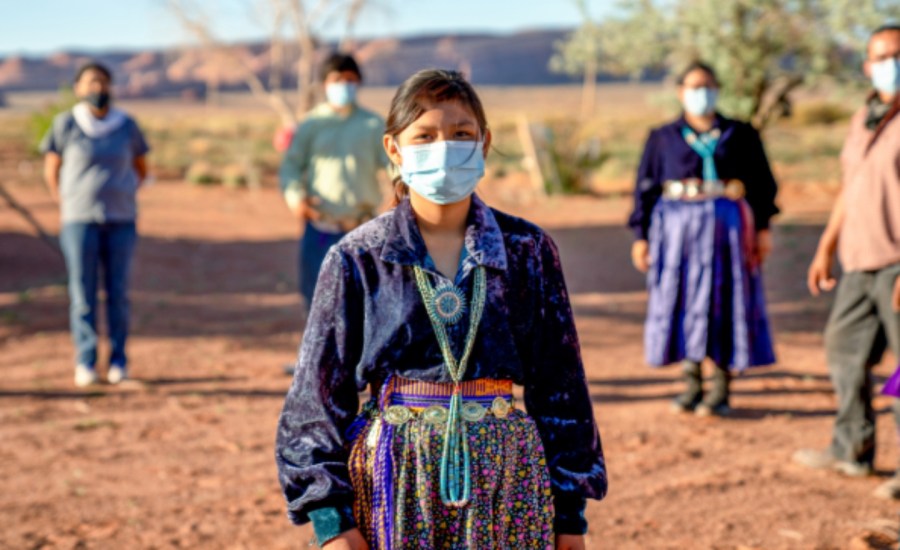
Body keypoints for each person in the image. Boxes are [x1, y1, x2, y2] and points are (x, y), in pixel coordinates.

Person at [275, 69, 607, 550]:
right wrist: (331, 523)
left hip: (508, 482)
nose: (444, 147)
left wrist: (570, 517)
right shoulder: (358, 257)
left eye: (461, 134)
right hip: (393, 483)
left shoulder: (526, 250)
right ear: (393, 149)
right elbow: (315, 401)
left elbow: (562, 388)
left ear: (485, 143)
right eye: (425, 136)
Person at [628, 61, 779, 417]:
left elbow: (763, 185)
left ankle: (722, 388)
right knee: (680, 299)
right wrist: (641, 236)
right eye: (694, 86)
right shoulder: (662, 137)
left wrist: (763, 229)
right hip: (676, 231)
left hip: (728, 230)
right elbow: (644, 189)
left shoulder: (740, 133)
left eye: (708, 86)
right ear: (680, 92)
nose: (701, 93)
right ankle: (692, 382)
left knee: (727, 299)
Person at [793, 25, 900, 499]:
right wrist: (826, 246)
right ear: (866, 64)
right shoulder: (864, 117)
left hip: (897, 261)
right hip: (860, 260)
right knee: (843, 346)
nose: (889, 63)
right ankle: (851, 449)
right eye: (881, 56)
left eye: (896, 55)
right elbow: (850, 187)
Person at [41, 62, 149, 387]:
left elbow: (141, 168)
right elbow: (52, 170)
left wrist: (123, 194)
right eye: (90, 82)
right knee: (83, 293)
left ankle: (118, 362)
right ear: (78, 88)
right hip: (79, 220)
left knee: (118, 292)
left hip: (121, 219)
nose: (97, 88)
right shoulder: (65, 124)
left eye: (102, 82)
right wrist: (69, 203)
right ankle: (85, 362)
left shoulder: (126, 125)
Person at [280, 52, 389, 312]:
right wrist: (296, 200)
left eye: (350, 80)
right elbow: (290, 166)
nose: (344, 86)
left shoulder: (373, 125)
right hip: (320, 229)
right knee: (319, 306)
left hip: (363, 230)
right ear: (325, 85)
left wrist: (403, 197)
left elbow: (394, 166)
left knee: (367, 306)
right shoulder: (311, 125)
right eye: (338, 80)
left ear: (359, 82)